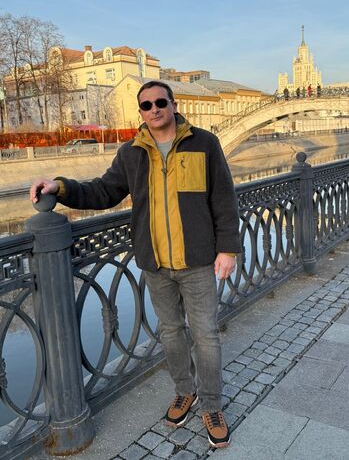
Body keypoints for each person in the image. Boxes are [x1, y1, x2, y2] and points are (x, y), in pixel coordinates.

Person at [30, 80, 241, 449]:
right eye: (146, 105)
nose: (154, 109)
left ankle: (211, 406)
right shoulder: (132, 152)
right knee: (171, 333)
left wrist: (228, 248)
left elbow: (223, 198)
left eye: (161, 102)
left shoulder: (204, 143)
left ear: (173, 105)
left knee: (205, 335)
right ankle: (185, 392)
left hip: (197, 260)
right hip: (155, 263)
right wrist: (60, 188)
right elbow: (103, 191)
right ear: (141, 111)